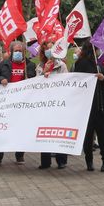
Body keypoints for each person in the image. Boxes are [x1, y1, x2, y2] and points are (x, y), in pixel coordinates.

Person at [0, 41, 35, 166]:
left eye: (20, 51)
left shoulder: (29, 65)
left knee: (21, 129)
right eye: (16, 51)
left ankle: (20, 156)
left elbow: (35, 80)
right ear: (12, 52)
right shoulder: (4, 64)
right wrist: (1, 79)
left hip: (23, 104)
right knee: (1, 130)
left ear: (24, 52)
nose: (18, 53)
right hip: (6, 104)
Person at [74, 40, 104, 172]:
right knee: (88, 136)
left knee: (102, 134)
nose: (99, 51)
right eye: (97, 49)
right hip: (87, 105)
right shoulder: (81, 63)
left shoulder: (99, 63)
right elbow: (77, 79)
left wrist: (103, 77)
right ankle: (89, 161)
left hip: (99, 104)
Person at [36, 40, 69, 169]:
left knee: (59, 131)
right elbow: (37, 84)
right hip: (45, 104)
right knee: (44, 132)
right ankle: (45, 161)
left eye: (52, 48)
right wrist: (45, 73)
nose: (49, 51)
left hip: (59, 104)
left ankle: (61, 160)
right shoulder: (39, 66)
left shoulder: (62, 66)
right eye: (47, 49)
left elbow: (66, 82)